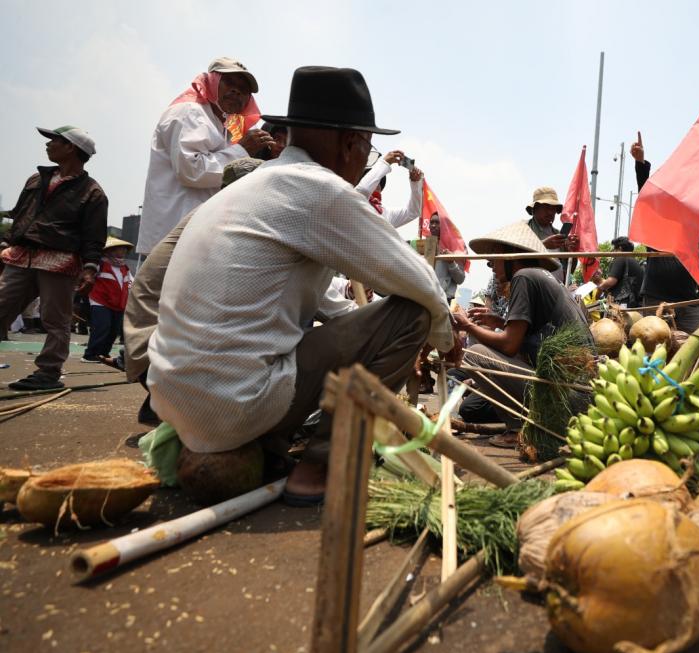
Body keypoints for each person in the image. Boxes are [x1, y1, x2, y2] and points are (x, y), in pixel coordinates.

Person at [147, 66, 458, 505]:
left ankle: (266, 444)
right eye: (366, 148)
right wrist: (444, 337)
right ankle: (325, 461)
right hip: (233, 404)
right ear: (352, 143)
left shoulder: (260, 183)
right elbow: (421, 284)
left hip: (174, 398)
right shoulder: (319, 190)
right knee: (413, 315)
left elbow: (334, 311)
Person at [123, 158, 265, 425]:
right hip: (156, 351)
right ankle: (174, 400)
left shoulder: (213, 212)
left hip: (152, 348)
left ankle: (165, 401)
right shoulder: (227, 220)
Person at [452, 221, 591, 448]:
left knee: (474, 353)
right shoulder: (541, 276)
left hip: (568, 397)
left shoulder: (523, 277)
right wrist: (499, 321)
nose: (493, 268)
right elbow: (531, 338)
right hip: (575, 394)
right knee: (472, 407)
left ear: (510, 257)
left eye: (494, 261)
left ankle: (518, 428)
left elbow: (509, 345)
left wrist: (467, 326)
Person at [0, 125, 107, 391]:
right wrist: (11, 239)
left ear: (71, 147)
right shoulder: (35, 180)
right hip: (23, 255)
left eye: (54, 141)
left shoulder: (92, 192)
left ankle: (48, 373)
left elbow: (94, 237)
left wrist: (90, 268)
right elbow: (21, 214)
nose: (48, 145)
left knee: (55, 320)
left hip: (59, 260)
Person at [137, 57, 273, 255]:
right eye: (229, 82)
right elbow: (192, 170)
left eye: (244, 89)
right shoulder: (191, 112)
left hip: (193, 237)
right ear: (212, 81)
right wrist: (242, 151)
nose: (236, 90)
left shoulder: (219, 124)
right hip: (175, 236)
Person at [630, 132, 699, 332]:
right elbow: (646, 196)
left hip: (687, 300)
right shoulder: (657, 221)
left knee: (694, 351)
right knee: (655, 352)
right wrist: (640, 163)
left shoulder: (696, 226)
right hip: (657, 296)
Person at [82, 237, 134, 363]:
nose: (123, 251)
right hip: (100, 301)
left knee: (114, 330)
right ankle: (90, 355)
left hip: (118, 304)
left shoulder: (125, 268)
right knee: (101, 327)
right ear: (110, 250)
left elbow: (131, 284)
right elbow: (86, 276)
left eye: (124, 249)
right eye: (120, 248)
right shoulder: (100, 264)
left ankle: (103, 354)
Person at [356, 149, 424, 228]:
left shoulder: (386, 213)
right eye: (375, 180)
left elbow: (413, 212)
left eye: (380, 181)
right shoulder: (354, 200)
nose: (378, 183)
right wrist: (385, 162)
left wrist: (415, 183)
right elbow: (363, 190)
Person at [525, 187, 577, 282]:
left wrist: (571, 252)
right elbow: (516, 256)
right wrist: (543, 245)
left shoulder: (558, 234)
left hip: (557, 287)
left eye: (553, 208)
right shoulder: (523, 229)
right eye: (546, 207)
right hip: (532, 285)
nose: (550, 212)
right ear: (534, 209)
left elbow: (570, 269)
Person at [595, 236, 643, 308]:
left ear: (620, 248)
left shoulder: (620, 258)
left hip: (624, 304)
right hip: (636, 303)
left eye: (614, 249)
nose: (613, 253)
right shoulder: (635, 261)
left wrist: (599, 288)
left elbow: (611, 281)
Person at [429, 213, 465, 302]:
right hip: (426, 296)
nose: (433, 225)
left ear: (445, 226)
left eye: (437, 222)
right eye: (432, 222)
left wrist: (451, 262)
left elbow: (460, 279)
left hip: (443, 299)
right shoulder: (425, 245)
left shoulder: (455, 248)